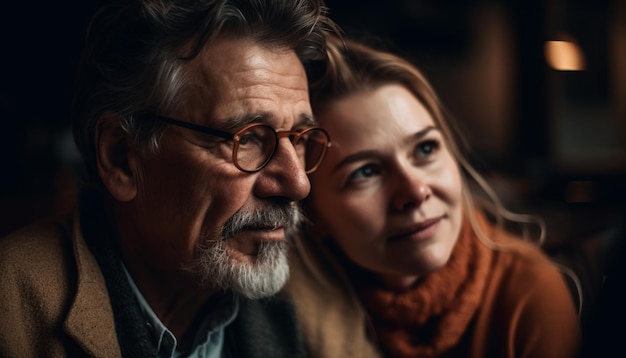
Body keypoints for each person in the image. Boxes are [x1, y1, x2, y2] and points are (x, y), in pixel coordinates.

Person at [0, 0, 336, 357]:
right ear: (122, 158)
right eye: (249, 138)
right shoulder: (11, 315)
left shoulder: (318, 302)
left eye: (299, 138)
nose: (298, 184)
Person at [283, 35, 582, 358]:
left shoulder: (527, 297)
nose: (415, 191)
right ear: (312, 213)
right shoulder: (289, 312)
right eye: (365, 172)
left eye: (425, 149)